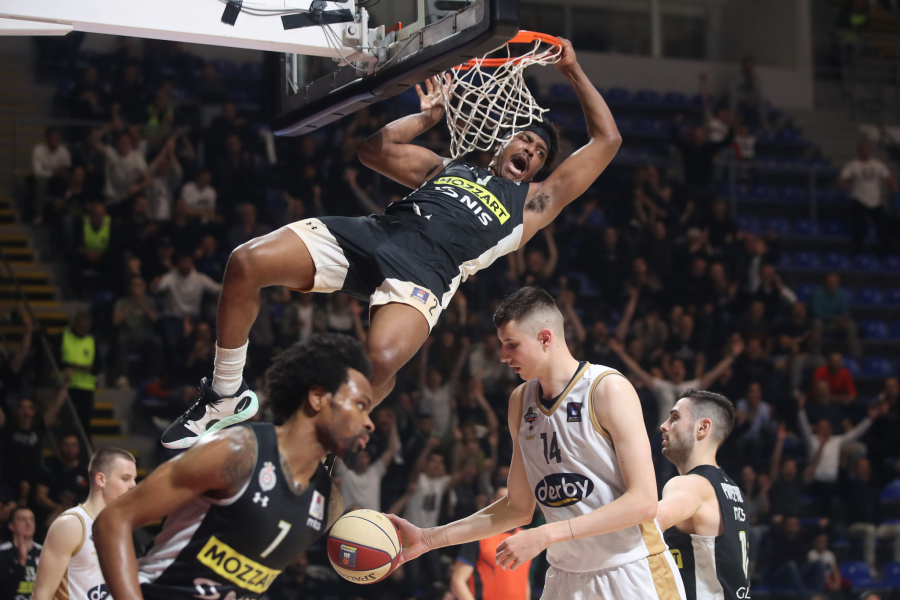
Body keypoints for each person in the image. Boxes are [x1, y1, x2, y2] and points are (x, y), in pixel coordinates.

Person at [160, 39, 624, 449]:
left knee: (379, 361)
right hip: (376, 233)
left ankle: (324, 441)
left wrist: (571, 69)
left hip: (425, 272)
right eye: (525, 140)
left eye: (539, 153)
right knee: (246, 262)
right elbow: (373, 150)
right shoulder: (449, 166)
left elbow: (608, 139)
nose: (530, 151)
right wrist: (426, 118)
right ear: (504, 143)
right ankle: (224, 394)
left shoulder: (533, 202)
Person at [387, 287, 685, 600]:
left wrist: (546, 533)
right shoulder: (520, 402)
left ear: (545, 338)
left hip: (631, 569)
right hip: (565, 577)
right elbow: (517, 507)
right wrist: (429, 539)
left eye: (511, 344)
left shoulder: (607, 389)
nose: (503, 356)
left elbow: (643, 502)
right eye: (502, 345)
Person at [93, 333, 375, 600]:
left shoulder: (328, 505)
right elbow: (113, 520)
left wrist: (397, 538)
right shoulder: (237, 451)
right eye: (361, 406)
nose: (369, 423)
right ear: (318, 397)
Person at [656, 390, 750, 600]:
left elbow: (643, 529)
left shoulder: (690, 485)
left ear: (702, 427)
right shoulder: (734, 491)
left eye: (674, 418)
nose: (663, 426)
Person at [32, 447, 137, 600]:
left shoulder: (121, 527)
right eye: (126, 478)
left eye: (134, 479)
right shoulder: (71, 524)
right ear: (101, 479)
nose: (133, 485)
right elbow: (41, 594)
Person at [450, 485, 532, 600]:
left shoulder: (526, 538)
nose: (510, 503)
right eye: (504, 499)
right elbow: (458, 581)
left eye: (514, 499)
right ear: (494, 504)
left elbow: (524, 580)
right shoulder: (479, 537)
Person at [838, 139, 897, 255]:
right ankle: (857, 251)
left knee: (883, 227)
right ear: (859, 151)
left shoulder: (878, 165)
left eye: (867, 150)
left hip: (876, 200)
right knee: (858, 227)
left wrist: (892, 186)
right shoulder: (853, 165)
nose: (865, 152)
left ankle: (887, 251)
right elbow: (841, 179)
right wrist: (845, 185)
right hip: (859, 199)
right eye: (863, 150)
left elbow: (889, 178)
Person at [0, 507, 41, 600]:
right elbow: (4, 592)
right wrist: (22, 561)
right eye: (22, 519)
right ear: (11, 526)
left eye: (31, 519)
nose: (28, 523)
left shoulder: (44, 552)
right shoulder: (2, 553)